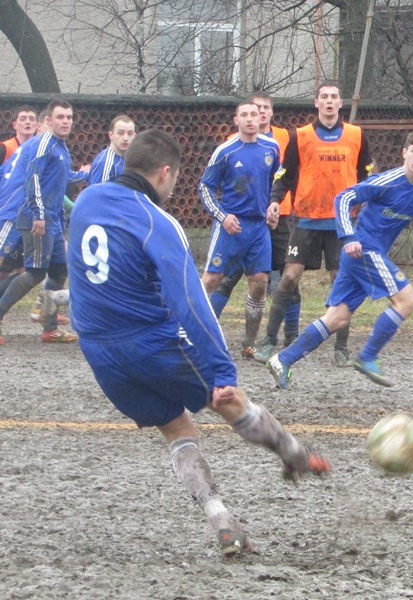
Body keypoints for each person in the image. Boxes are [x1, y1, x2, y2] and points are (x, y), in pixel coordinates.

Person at [66, 129, 330, 557]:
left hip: (99, 349)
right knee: (227, 399)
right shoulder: (157, 220)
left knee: (175, 426)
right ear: (165, 173)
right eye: (175, 180)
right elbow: (191, 301)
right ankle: (293, 452)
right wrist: (222, 369)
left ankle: (222, 521)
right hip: (148, 340)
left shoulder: (88, 200)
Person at [267, 129, 413, 389]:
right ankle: (368, 357)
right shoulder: (388, 181)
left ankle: (282, 359)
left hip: (366, 255)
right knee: (407, 300)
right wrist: (348, 237)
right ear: (404, 153)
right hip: (364, 250)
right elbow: (344, 197)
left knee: (336, 318)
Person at [254, 80, 374, 368]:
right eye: (324, 97)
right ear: (316, 103)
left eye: (334, 97)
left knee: (341, 282)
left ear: (340, 103)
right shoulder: (302, 136)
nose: (329, 102)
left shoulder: (356, 135)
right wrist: (274, 199)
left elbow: (367, 175)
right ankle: (269, 339)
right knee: (290, 277)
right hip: (307, 218)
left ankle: (341, 348)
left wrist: (370, 202)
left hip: (342, 223)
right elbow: (285, 173)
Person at [210, 92, 301, 348]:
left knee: (286, 276)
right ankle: (205, 329)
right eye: (253, 109)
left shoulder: (282, 138)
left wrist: (278, 203)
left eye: (264, 108)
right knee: (227, 278)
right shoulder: (231, 144)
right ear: (240, 117)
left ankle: (289, 334)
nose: (258, 113)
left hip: (277, 218)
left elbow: (286, 174)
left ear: (271, 113)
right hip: (240, 221)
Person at [198, 101, 280, 358]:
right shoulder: (225, 151)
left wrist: (272, 207)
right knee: (212, 280)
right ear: (236, 120)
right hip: (231, 227)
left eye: (254, 114)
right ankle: (191, 334)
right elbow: (205, 187)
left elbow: (275, 182)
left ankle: (248, 343)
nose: (250, 119)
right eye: (244, 115)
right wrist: (222, 217)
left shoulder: (272, 148)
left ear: (262, 117)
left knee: (259, 283)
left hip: (258, 228)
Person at [0, 100, 85, 345]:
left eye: (69, 117)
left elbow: (64, 177)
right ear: (48, 121)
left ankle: (49, 328)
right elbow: (32, 179)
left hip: (53, 221)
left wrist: (86, 174)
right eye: (61, 117)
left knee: (59, 270)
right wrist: (38, 213)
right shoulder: (44, 143)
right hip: (36, 219)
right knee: (34, 272)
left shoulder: (61, 147)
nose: (66, 121)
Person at [87, 115, 136, 184]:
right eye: (120, 133)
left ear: (134, 136)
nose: (125, 138)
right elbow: (98, 193)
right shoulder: (105, 163)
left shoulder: (131, 160)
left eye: (130, 134)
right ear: (111, 135)